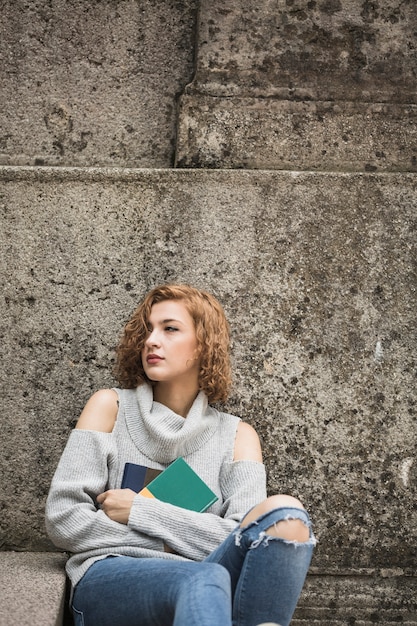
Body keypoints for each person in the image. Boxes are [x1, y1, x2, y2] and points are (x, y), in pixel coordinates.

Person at [46, 284, 315, 626]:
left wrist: (142, 512)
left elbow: (245, 540)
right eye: (147, 330)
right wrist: (173, 545)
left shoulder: (238, 437)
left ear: (204, 344)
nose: (151, 340)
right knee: (204, 577)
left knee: (286, 515)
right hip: (109, 578)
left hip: (205, 587)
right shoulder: (109, 407)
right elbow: (64, 518)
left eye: (169, 329)